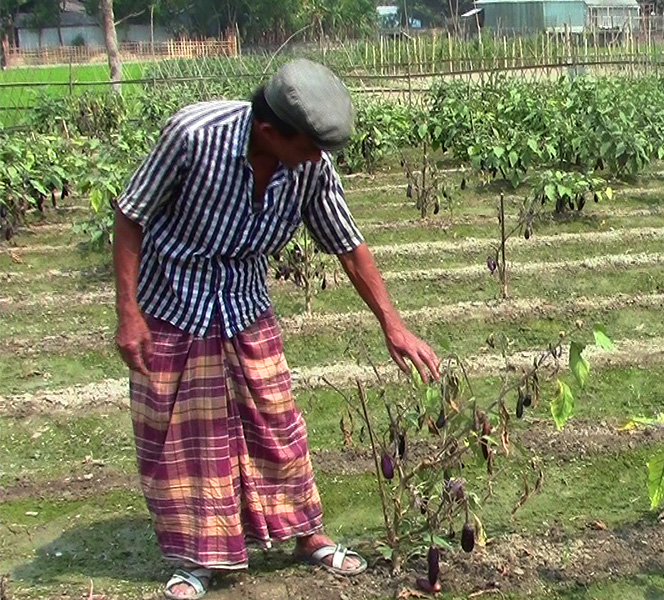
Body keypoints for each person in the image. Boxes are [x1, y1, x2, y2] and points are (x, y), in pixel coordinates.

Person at [112, 59, 441, 599]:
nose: (319, 161)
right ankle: (197, 558)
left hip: (244, 303)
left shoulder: (308, 165)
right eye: (311, 148)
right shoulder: (193, 136)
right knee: (185, 440)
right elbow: (130, 214)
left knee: (276, 423)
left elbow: (347, 243)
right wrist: (129, 315)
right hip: (170, 302)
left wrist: (393, 324)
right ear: (269, 131)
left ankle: (305, 534)